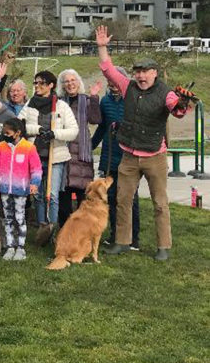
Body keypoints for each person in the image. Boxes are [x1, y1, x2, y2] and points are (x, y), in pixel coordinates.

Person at [95, 25, 190, 261]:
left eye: (145, 71)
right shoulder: (128, 87)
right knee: (123, 201)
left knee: (160, 203)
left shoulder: (166, 93)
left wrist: (183, 103)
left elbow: (176, 111)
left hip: (155, 156)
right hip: (128, 155)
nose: (140, 75)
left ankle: (163, 247)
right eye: (137, 71)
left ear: (155, 73)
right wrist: (102, 47)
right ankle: (122, 242)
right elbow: (108, 69)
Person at [19, 71, 78, 229]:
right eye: (35, 83)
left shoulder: (60, 106)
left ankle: (52, 227)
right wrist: (37, 129)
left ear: (51, 85)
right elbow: (19, 125)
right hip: (35, 157)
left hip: (55, 157)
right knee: (37, 194)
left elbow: (73, 131)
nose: (37, 86)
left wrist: (55, 133)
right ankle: (41, 227)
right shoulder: (30, 104)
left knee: (52, 195)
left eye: (41, 83)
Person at [91, 66, 141, 249]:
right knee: (110, 198)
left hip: (128, 157)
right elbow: (102, 127)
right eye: (110, 82)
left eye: (116, 81)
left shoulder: (133, 100)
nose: (113, 85)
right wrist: (89, 146)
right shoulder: (105, 101)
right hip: (109, 156)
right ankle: (116, 236)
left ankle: (133, 238)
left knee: (129, 199)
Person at [0, 118, 42, 261]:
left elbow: (36, 169)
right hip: (5, 189)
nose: (5, 135)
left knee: (19, 218)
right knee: (7, 219)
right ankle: (10, 247)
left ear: (18, 133)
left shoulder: (29, 148)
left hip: (21, 190)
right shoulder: (1, 147)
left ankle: (21, 248)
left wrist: (34, 183)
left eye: (8, 132)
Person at [56, 69, 102, 228]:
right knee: (64, 202)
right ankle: (65, 235)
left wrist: (95, 97)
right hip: (63, 155)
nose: (70, 84)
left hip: (81, 158)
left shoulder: (87, 101)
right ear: (62, 85)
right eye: (66, 81)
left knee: (84, 201)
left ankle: (82, 236)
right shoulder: (59, 103)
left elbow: (96, 119)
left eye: (73, 80)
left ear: (78, 82)